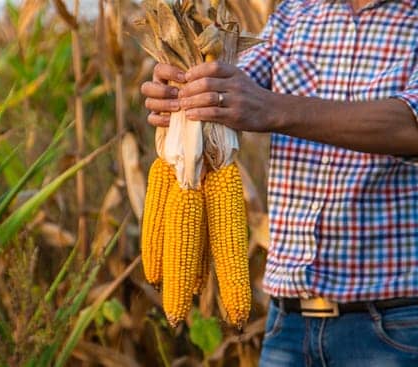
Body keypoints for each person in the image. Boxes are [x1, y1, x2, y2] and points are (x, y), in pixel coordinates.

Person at [140, 0, 418, 364]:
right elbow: (234, 83)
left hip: (391, 327)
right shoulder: (294, 14)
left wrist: (272, 108)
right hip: (286, 325)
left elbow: (409, 125)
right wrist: (184, 90)